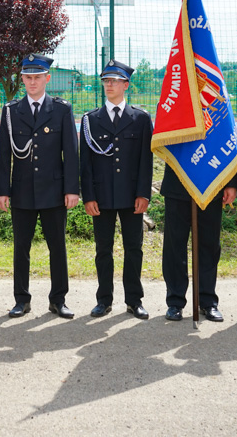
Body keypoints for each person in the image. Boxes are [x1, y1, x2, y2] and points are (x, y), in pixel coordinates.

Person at [0, 53, 79, 319]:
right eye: (28, 77)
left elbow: (71, 153)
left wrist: (71, 189)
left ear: (47, 78)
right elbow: (4, 155)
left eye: (37, 77)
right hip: (22, 191)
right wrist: (2, 190)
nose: (32, 82)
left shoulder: (61, 109)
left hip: (54, 191)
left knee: (58, 247)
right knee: (21, 247)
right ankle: (21, 299)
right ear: (21, 79)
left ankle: (58, 299)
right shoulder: (11, 112)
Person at [80, 60, 153, 320]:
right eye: (105, 81)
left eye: (114, 81)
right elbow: (85, 164)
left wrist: (144, 194)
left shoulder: (141, 118)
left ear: (126, 85)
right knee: (103, 250)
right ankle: (104, 300)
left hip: (132, 197)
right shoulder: (90, 120)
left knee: (134, 248)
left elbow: (146, 160)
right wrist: (88, 196)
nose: (109, 85)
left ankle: (134, 300)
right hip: (102, 197)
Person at [161, 167, 237, 323]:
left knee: (209, 245)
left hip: (211, 182)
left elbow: (227, 144)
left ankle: (208, 301)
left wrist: (230, 183)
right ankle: (175, 302)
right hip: (177, 182)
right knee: (174, 246)